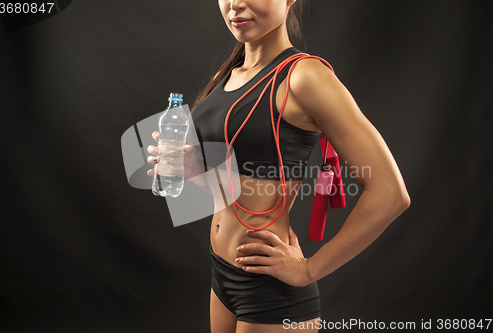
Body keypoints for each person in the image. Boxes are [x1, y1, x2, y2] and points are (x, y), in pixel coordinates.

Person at [147, 0, 411, 332]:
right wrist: (194, 171)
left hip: (271, 289)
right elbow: (241, 190)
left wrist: (307, 270)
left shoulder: (305, 77)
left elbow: (390, 193)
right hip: (221, 274)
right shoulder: (226, 75)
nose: (235, 4)